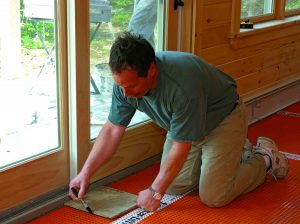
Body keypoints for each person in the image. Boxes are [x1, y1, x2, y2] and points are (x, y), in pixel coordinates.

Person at [69, 32, 289, 212]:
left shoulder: (183, 86)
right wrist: (86, 172)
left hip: (223, 120)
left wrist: (155, 192)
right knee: (174, 186)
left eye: (131, 87)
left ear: (152, 70)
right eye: (120, 86)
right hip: (187, 127)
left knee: (214, 195)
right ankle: (230, 155)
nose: (125, 93)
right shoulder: (125, 86)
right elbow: (111, 131)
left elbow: (181, 145)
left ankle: (264, 158)